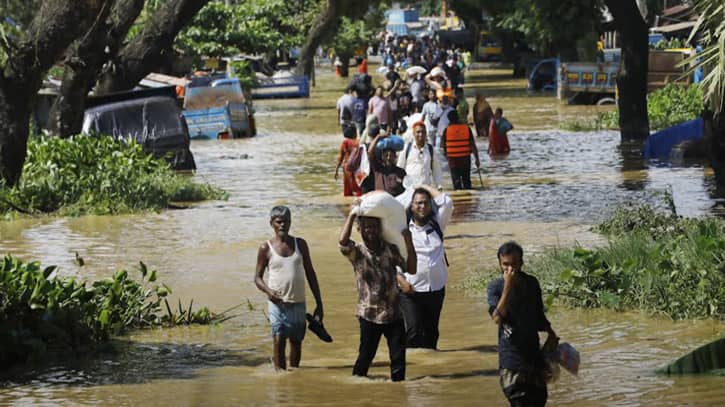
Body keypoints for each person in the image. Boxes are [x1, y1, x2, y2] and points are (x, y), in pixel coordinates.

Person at [339, 204, 416, 381]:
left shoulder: (391, 249)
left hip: (394, 313)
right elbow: (343, 242)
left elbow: (411, 269)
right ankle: (357, 384)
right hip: (369, 315)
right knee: (366, 357)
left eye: (374, 226)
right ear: (360, 229)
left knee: (398, 359)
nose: (370, 230)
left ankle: (398, 392)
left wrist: (408, 241)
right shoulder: (357, 252)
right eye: (366, 226)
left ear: (380, 228)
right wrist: (351, 216)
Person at [487, 241, 558, 407]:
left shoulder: (532, 283)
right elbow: (497, 318)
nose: (509, 269)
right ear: (499, 264)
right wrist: (507, 287)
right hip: (511, 362)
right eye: (505, 265)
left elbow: (539, 315)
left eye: (514, 264)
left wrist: (551, 333)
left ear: (521, 263)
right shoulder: (495, 287)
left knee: (539, 402)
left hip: (534, 357)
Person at [254, 206, 324, 371]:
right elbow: (257, 278)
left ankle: (294, 376)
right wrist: (269, 291)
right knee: (279, 339)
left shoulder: (300, 244)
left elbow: (310, 273)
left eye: (286, 221)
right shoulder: (266, 248)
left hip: (298, 301)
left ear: (291, 223)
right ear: (271, 223)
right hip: (277, 303)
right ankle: (280, 375)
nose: (283, 225)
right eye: (279, 222)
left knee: (296, 341)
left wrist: (319, 302)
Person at [397, 185, 453, 349]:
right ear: (411, 206)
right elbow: (392, 259)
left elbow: (447, 201)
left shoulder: (437, 224)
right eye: (418, 203)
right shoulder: (403, 229)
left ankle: (431, 369)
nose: (422, 207)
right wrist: (402, 282)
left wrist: (422, 186)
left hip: (436, 289)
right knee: (413, 331)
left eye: (426, 203)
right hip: (410, 290)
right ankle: (413, 365)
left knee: (431, 332)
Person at [397, 121, 443, 190]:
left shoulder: (430, 149)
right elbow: (399, 168)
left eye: (423, 132)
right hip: (409, 189)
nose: (420, 134)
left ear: (426, 134)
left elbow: (436, 169)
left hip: (425, 189)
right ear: (413, 133)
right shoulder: (406, 148)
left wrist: (439, 185)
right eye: (418, 132)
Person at [441, 110, 480, 190]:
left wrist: (447, 157)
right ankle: (468, 198)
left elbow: (443, 147)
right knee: (467, 181)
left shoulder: (446, 131)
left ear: (449, 119)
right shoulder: (466, 129)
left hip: (453, 160)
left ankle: (459, 199)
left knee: (456, 182)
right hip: (465, 159)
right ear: (458, 118)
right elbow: (473, 145)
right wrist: (477, 159)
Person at [367, 127, 406, 196]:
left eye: (391, 156)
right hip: (380, 202)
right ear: (382, 157)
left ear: (395, 157)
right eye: (386, 155)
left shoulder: (400, 172)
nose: (388, 158)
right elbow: (370, 152)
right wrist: (379, 137)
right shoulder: (378, 169)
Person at [334, 124, 363, 197]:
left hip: (346, 168)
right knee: (359, 190)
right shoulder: (358, 142)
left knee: (347, 192)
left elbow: (340, 158)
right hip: (357, 168)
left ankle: (346, 206)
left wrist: (336, 170)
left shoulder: (345, 143)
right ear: (354, 133)